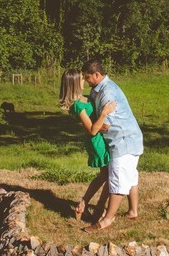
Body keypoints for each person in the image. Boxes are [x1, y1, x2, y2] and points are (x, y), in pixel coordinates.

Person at [82, 59, 143, 231]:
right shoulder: (98, 89)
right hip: (130, 137)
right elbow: (90, 101)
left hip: (123, 140)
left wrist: (90, 127)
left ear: (97, 75)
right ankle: (132, 212)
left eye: (87, 78)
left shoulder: (107, 92)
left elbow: (106, 124)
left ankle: (107, 220)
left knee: (117, 178)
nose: (86, 81)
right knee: (130, 175)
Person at [59, 69, 117, 221]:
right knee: (107, 175)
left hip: (100, 137)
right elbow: (91, 130)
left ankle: (86, 205)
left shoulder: (85, 98)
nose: (84, 80)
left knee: (106, 175)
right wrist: (105, 113)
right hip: (95, 140)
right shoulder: (77, 105)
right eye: (81, 79)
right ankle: (94, 207)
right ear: (74, 83)